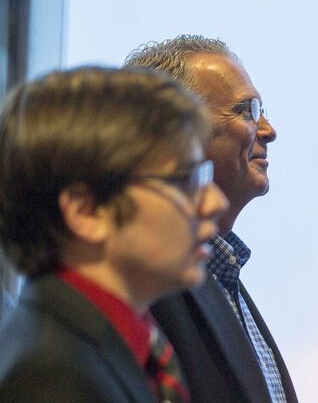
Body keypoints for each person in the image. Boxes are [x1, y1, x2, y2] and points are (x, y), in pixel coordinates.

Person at [0, 66, 229, 402]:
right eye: (185, 181)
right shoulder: (52, 374)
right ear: (86, 211)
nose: (216, 202)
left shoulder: (120, 342)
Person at [124, 36, 298, 403]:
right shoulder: (145, 287)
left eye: (263, 110)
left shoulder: (224, 272)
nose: (268, 129)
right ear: (174, 133)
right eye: (247, 110)